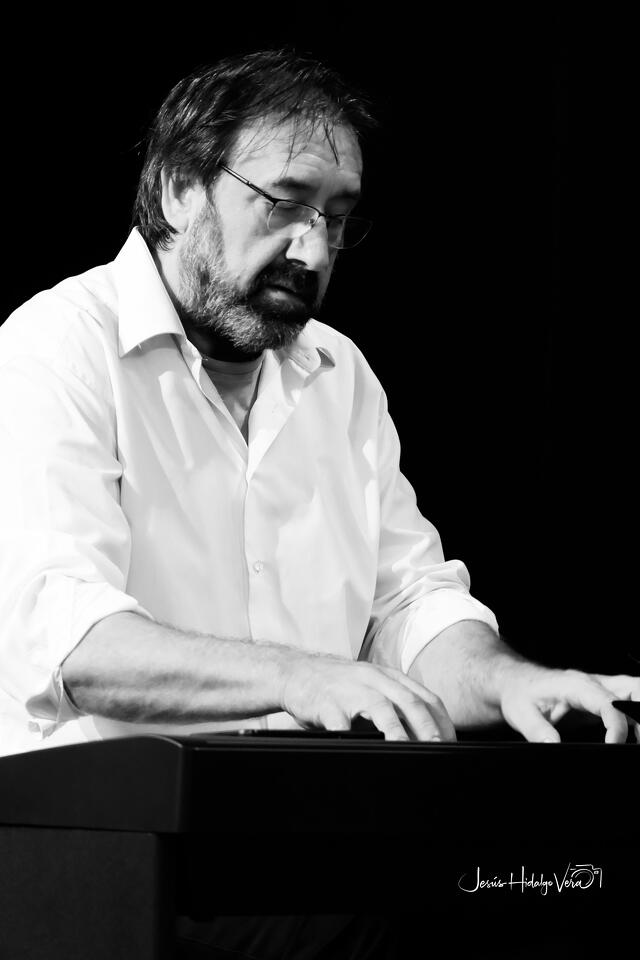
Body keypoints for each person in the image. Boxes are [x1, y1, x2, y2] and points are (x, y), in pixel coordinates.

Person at [0, 47, 637, 960]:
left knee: (571, 889)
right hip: (101, 866)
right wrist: (301, 677)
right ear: (180, 187)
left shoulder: (342, 375)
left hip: (302, 845)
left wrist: (511, 683)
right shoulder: (55, 347)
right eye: (286, 203)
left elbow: (409, 608)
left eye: (337, 218)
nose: (314, 251)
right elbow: (69, 639)